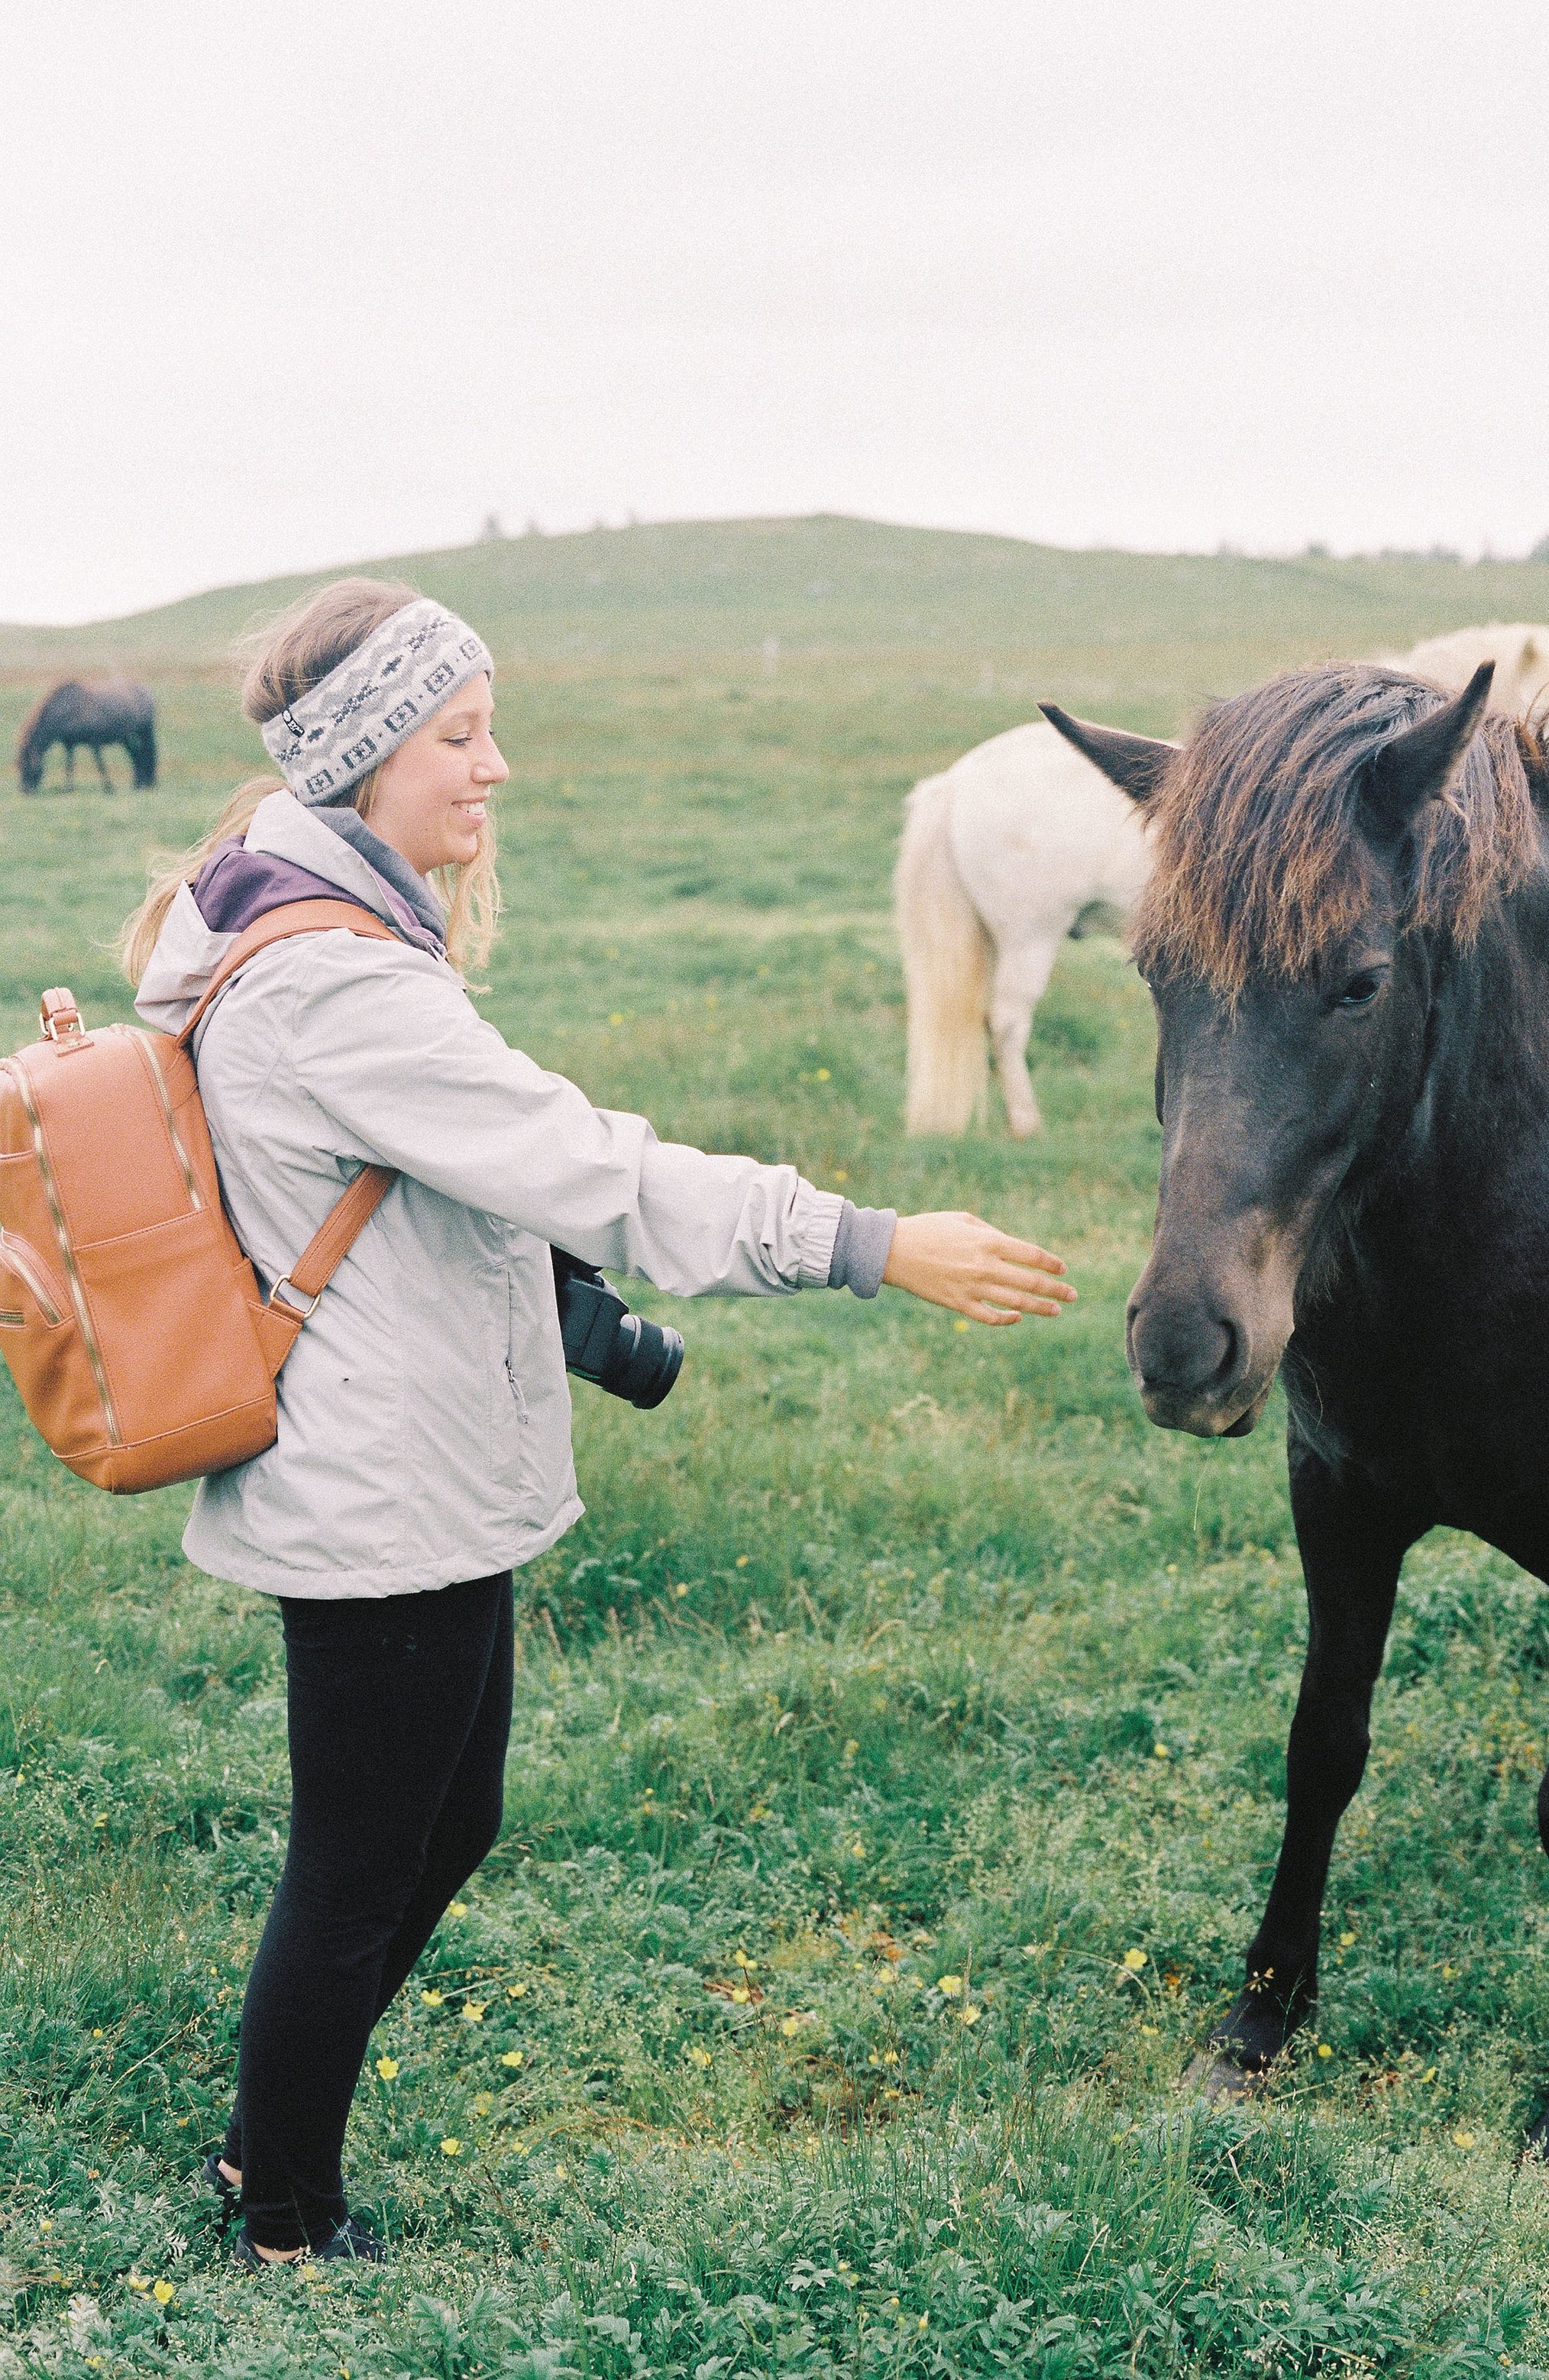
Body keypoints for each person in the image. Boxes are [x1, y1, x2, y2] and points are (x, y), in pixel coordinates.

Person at [122, 580, 1074, 2268]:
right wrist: (869, 1242)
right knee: (354, 1864)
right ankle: (278, 2210)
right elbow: (595, 1171)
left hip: (408, 1462)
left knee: (444, 1819)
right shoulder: (339, 987)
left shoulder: (313, 912)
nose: (497, 770)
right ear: (362, 765)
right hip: (375, 1484)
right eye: (459, 738)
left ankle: (267, 2144)